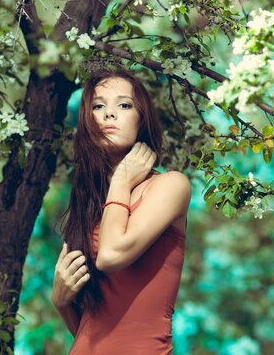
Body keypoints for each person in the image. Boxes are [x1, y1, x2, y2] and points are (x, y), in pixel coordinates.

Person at [52, 68, 192, 354]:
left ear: (142, 121)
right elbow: (93, 327)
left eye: (124, 105)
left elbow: (111, 256)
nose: (109, 115)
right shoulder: (88, 205)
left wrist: (121, 180)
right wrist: (61, 303)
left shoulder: (171, 186)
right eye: (98, 106)